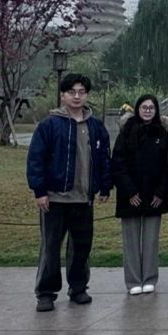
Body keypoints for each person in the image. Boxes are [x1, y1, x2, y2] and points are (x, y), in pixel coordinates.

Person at [26, 73, 112, 312]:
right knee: (51, 247)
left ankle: (78, 287)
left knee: (81, 247)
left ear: (87, 95)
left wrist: (105, 186)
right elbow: (36, 159)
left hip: (84, 198)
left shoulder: (95, 126)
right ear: (63, 95)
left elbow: (104, 159)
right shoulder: (49, 125)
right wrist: (39, 191)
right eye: (71, 92)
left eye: (82, 92)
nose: (77, 96)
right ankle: (46, 292)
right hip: (55, 198)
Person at [111, 95, 168, 295]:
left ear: (156, 110)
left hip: (155, 196)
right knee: (131, 241)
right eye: (144, 107)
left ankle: (150, 278)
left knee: (151, 241)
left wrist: (161, 192)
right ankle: (133, 280)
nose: (147, 111)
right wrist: (129, 191)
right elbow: (118, 164)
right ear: (137, 109)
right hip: (130, 195)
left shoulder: (163, 134)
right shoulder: (126, 132)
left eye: (151, 107)